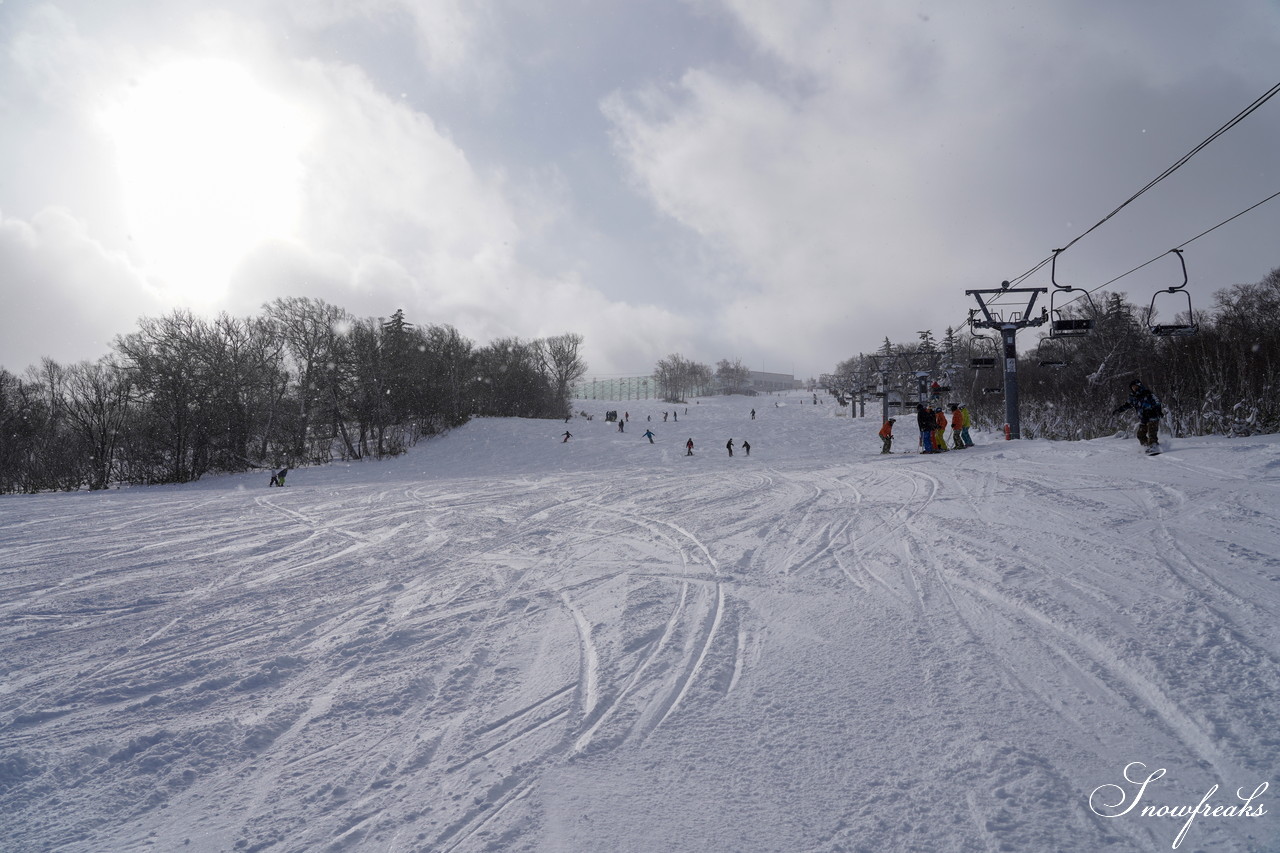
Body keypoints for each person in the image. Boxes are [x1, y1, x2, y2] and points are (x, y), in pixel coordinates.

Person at [1113, 379, 1164, 453]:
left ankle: (1154, 447)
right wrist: (1119, 410)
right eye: (1132, 387)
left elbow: (1157, 402)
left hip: (1152, 416)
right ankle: (1146, 447)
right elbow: (1127, 405)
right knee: (1140, 435)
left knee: (1152, 433)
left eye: (1135, 386)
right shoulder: (1133, 397)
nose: (1134, 388)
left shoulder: (1147, 393)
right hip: (1143, 418)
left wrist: (1159, 411)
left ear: (1139, 385)